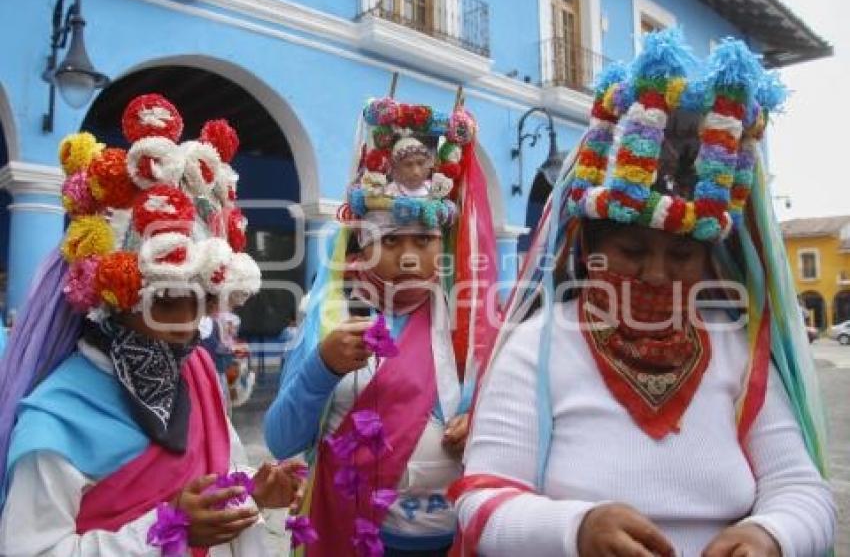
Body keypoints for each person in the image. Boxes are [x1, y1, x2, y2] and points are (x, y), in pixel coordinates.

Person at [451, 30, 835, 557]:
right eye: (632, 251)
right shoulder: (537, 347)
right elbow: (481, 500)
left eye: (681, 256)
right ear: (589, 251)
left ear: (708, 261)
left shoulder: (736, 351)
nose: (657, 274)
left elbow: (801, 488)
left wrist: (769, 535)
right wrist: (576, 530)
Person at [0, 94, 302, 556]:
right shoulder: (58, 416)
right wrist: (170, 528)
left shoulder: (198, 372)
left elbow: (217, 481)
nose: (187, 323)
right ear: (114, 294)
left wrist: (251, 494)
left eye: (201, 297)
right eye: (165, 298)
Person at [264, 96, 500, 555]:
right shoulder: (334, 313)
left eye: (425, 240)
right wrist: (322, 367)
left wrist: (478, 425)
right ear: (363, 246)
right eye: (391, 239)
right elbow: (279, 439)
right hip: (347, 534)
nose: (410, 255)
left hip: (449, 541)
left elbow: (508, 428)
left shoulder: (468, 318)